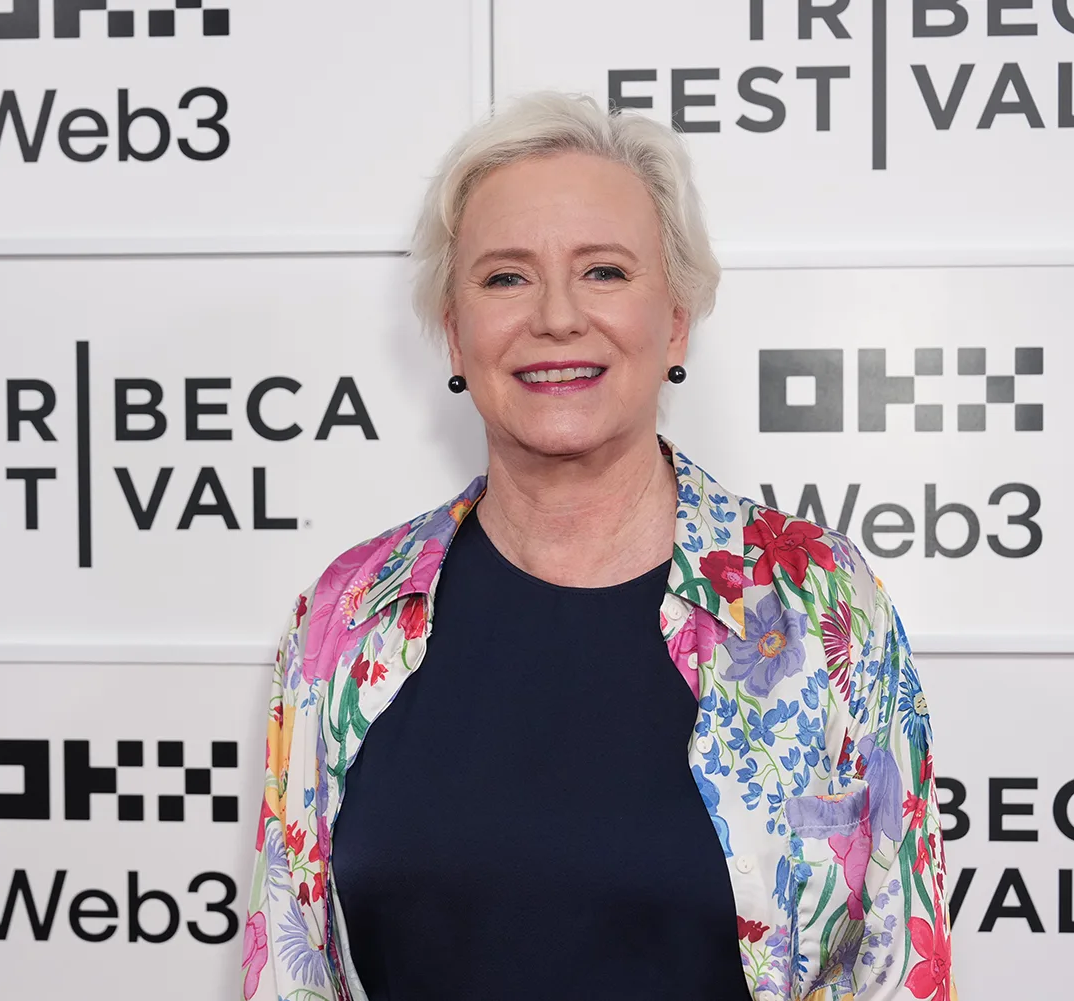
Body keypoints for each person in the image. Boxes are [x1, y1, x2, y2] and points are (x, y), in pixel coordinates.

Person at [241, 92, 954, 1001]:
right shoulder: (349, 614)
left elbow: (897, 971)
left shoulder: (817, 603)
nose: (557, 318)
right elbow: (291, 967)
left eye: (605, 271)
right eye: (505, 278)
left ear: (677, 320)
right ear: (456, 333)